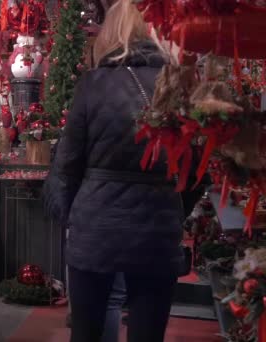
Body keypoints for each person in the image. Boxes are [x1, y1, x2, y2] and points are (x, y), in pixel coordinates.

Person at [43, 1, 205, 341]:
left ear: (111, 32)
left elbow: (67, 164)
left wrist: (72, 216)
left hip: (95, 225)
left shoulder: (94, 84)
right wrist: (176, 207)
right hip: (157, 228)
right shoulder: (181, 86)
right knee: (148, 332)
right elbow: (198, 168)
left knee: (87, 330)